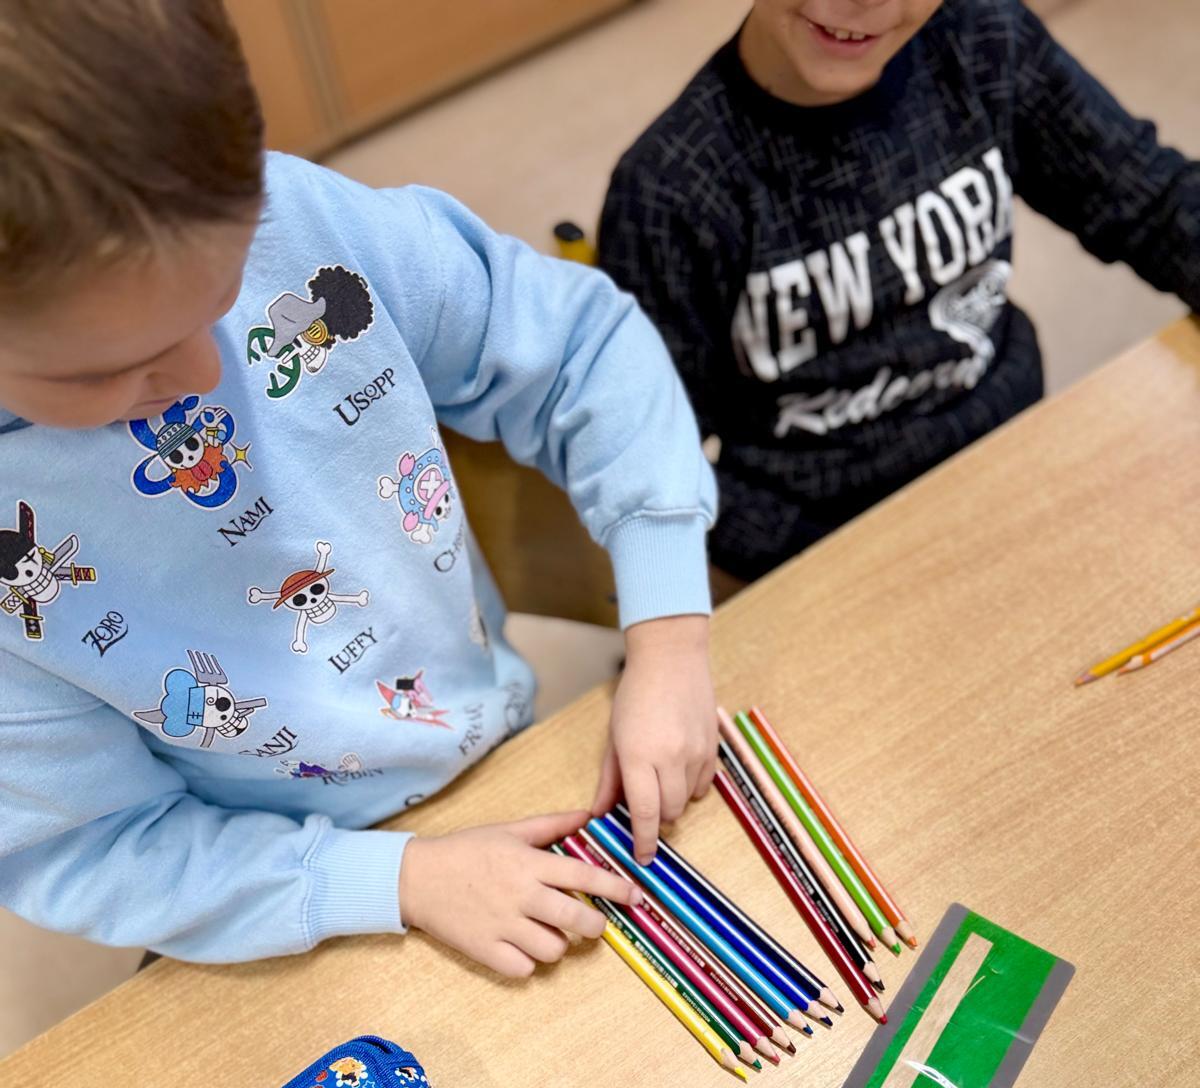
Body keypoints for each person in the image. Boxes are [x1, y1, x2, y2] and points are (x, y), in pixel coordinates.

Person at [0, 0, 719, 975]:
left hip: (494, 747)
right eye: (111, 372)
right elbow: (97, 849)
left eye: (223, 300)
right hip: (276, 887)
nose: (209, 376)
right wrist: (393, 880)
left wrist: (671, 640)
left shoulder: (295, 222)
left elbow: (583, 350)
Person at [599, 0, 1200, 591]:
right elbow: (649, 465)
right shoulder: (668, 191)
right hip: (819, 548)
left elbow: (1153, 203)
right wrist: (802, 562)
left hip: (1013, 450)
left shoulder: (985, 39)